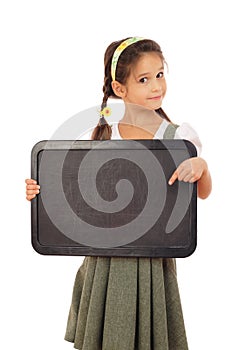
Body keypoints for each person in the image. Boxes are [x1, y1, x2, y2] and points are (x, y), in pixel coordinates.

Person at [25, 37, 212, 349]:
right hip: (104, 258)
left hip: (153, 258)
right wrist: (40, 193)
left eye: (160, 75)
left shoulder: (177, 136)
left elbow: (202, 193)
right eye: (144, 79)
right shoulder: (105, 133)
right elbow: (74, 192)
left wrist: (201, 166)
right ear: (119, 88)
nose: (156, 87)